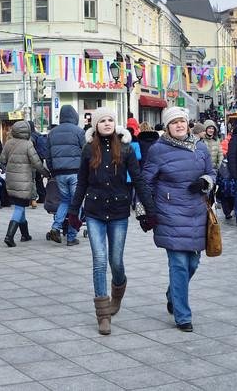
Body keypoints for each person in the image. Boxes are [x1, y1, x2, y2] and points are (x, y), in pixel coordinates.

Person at [68, 108, 152, 335]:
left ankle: (118, 292)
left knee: (116, 262)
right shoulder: (88, 149)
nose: (107, 123)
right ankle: (103, 314)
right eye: (102, 120)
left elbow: (139, 180)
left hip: (118, 211)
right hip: (94, 211)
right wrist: (73, 212)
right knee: (99, 260)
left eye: (110, 120)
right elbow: (82, 182)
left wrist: (149, 210)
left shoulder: (125, 149)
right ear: (95, 126)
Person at [141, 107, 212, 332]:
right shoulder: (158, 150)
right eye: (174, 123)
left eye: (182, 121)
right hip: (170, 212)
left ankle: (173, 292)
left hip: (197, 211)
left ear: (188, 124)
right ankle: (183, 316)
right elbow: (146, 182)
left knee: (193, 262)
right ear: (167, 127)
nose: (179, 125)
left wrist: (205, 181)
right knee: (179, 264)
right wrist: (144, 211)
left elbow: (213, 173)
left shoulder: (201, 147)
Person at [0, 120, 48, 247]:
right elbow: (37, 162)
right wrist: (46, 173)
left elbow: (2, 159)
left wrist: (7, 169)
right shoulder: (28, 144)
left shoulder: (8, 143)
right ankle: (9, 236)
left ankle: (25, 235)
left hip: (11, 179)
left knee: (20, 206)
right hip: (24, 180)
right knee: (20, 207)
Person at [46, 105, 86, 246]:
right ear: (74, 116)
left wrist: (53, 171)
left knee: (64, 201)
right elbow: (86, 153)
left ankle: (56, 227)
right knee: (77, 203)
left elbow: (48, 156)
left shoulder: (52, 133)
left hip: (59, 173)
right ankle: (71, 236)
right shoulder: (79, 132)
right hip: (76, 172)